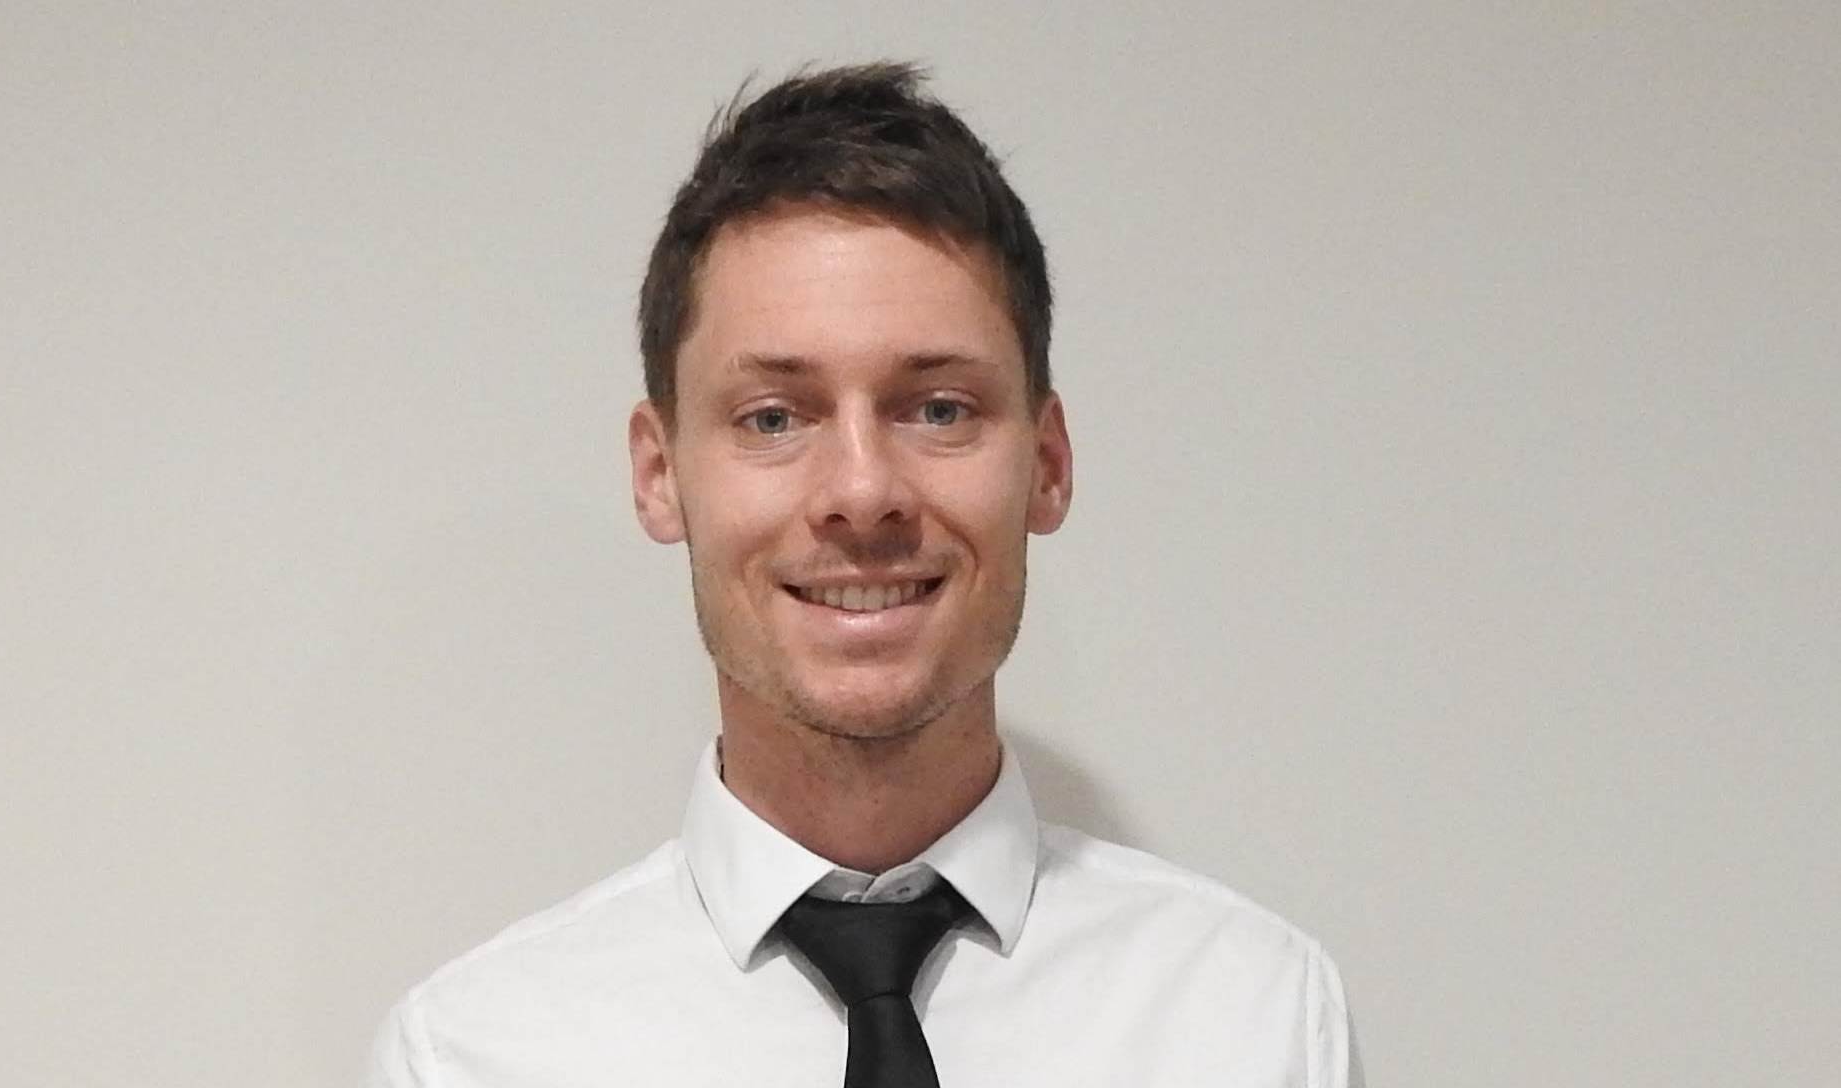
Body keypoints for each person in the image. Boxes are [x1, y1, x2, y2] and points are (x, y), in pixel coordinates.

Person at [366, 62, 1353, 1087]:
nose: (862, 490)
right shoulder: (471, 1057)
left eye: (938, 409)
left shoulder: (1259, 1018)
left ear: (1048, 464)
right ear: (660, 476)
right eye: (772, 418)